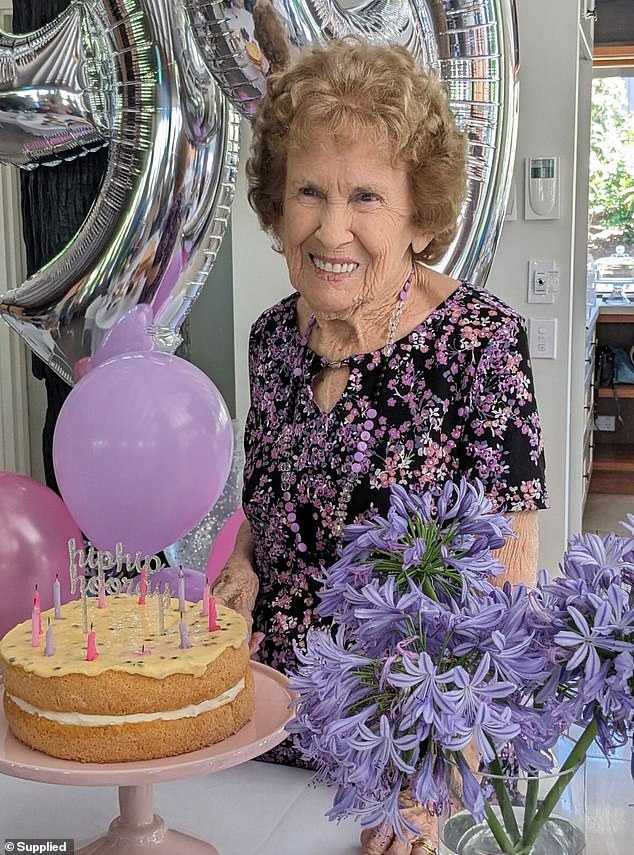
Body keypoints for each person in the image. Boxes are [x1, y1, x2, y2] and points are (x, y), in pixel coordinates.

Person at [212, 36, 549, 855]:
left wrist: (427, 780)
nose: (332, 228)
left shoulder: (482, 345)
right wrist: (245, 564)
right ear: (274, 202)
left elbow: (507, 589)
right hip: (258, 729)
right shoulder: (271, 342)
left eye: (366, 195)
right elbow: (273, 503)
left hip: (400, 760)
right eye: (308, 191)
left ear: (420, 214)